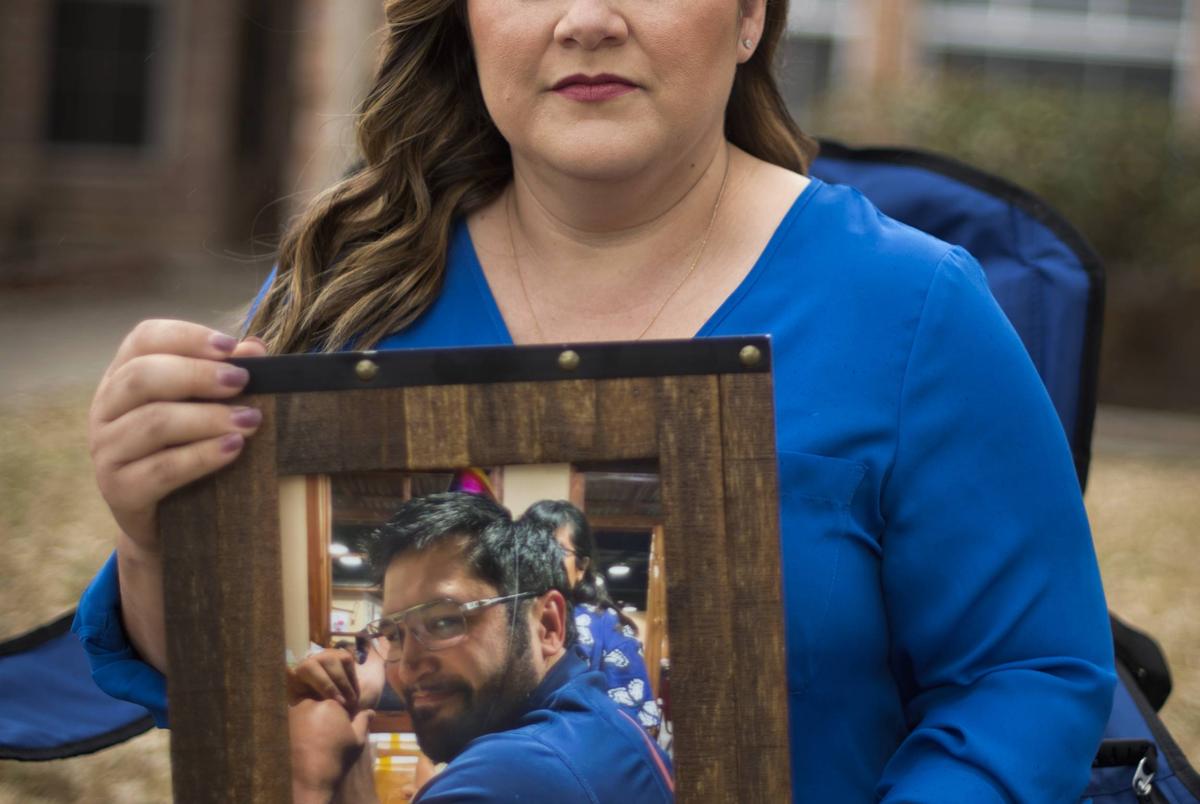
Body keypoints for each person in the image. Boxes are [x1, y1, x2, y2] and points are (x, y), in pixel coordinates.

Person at [74, 0, 1117, 799]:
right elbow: (218, 689)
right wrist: (155, 540)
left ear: (753, 14)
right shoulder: (343, 293)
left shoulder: (914, 311)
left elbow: (1025, 679)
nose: (586, 19)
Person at [286, 492, 675, 803]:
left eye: (444, 620)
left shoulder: (508, 776)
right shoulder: (603, 722)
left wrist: (306, 783)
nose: (408, 669)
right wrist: (346, 749)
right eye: (395, 634)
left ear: (547, 624)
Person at [522, 499, 661, 733]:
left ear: (581, 566)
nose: (542, 557)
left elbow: (639, 726)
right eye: (531, 547)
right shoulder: (503, 615)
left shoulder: (608, 626)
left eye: (556, 549)